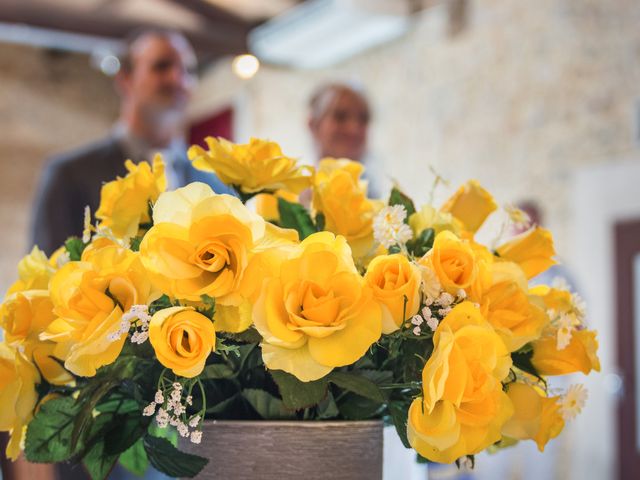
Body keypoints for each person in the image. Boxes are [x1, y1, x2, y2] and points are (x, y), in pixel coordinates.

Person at [30, 29, 233, 255]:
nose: (178, 79)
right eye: (162, 66)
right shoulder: (70, 175)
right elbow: (49, 277)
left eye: (188, 70)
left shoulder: (215, 185)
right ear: (125, 79)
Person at [307, 82, 389, 199]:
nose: (353, 129)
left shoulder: (381, 201)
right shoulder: (292, 198)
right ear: (313, 124)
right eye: (340, 116)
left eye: (363, 119)